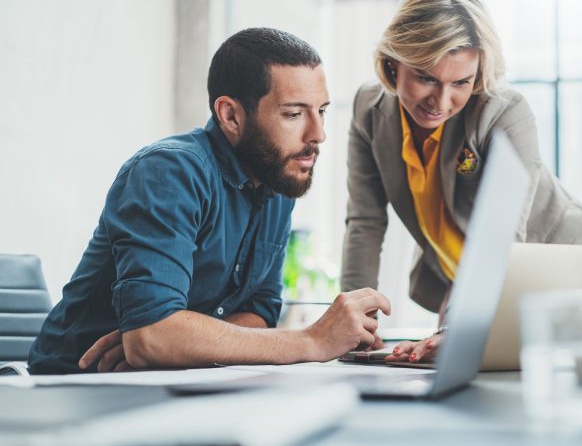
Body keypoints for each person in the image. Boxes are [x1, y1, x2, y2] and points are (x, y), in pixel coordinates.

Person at [28, 27, 390, 374]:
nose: (319, 134)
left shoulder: (277, 178)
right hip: (73, 384)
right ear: (230, 115)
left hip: (175, 382)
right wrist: (311, 341)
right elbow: (151, 338)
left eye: (321, 111)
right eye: (294, 114)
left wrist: (179, 342)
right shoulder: (169, 171)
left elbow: (259, 312)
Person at [340, 0, 582, 364]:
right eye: (426, 77)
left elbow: (501, 241)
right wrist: (357, 324)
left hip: (565, 275)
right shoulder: (368, 109)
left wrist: (455, 330)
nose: (441, 100)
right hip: (467, 283)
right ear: (393, 64)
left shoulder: (504, 113)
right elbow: (365, 223)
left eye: (461, 82)